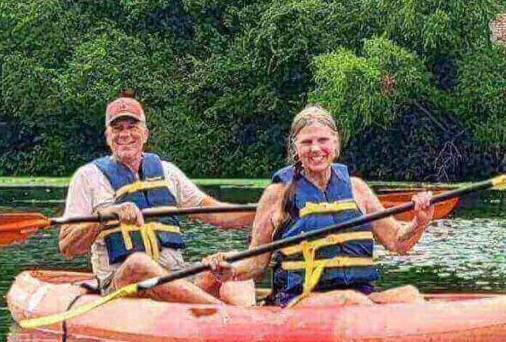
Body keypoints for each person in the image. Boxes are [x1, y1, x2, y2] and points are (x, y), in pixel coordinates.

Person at [59, 93, 255, 306]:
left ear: (145, 134)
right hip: (123, 286)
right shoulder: (88, 177)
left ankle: (249, 315)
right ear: (107, 136)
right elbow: (68, 247)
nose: (125, 134)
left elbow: (218, 214)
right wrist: (105, 217)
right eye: (117, 128)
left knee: (234, 258)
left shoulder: (167, 172)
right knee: (137, 263)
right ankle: (222, 312)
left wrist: (264, 212)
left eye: (132, 127)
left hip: (178, 277)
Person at [234, 105, 434, 307]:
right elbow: (256, 264)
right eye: (307, 142)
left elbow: (397, 242)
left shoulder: (358, 189)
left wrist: (419, 222)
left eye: (323, 140)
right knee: (349, 300)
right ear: (296, 148)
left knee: (409, 295)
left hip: (359, 297)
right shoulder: (277, 194)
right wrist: (230, 270)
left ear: (336, 142)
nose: (315, 148)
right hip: (298, 300)